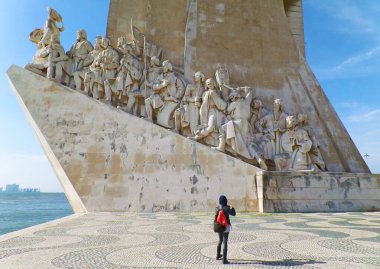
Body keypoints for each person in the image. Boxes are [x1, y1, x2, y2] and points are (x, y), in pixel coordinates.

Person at [214, 195, 236, 264]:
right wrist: (232, 208)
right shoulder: (227, 208)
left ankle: (218, 255)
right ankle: (224, 259)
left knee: (220, 240)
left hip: (219, 226)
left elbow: (215, 217)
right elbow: (234, 214)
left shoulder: (216, 208)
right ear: (225, 201)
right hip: (225, 227)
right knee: (225, 242)